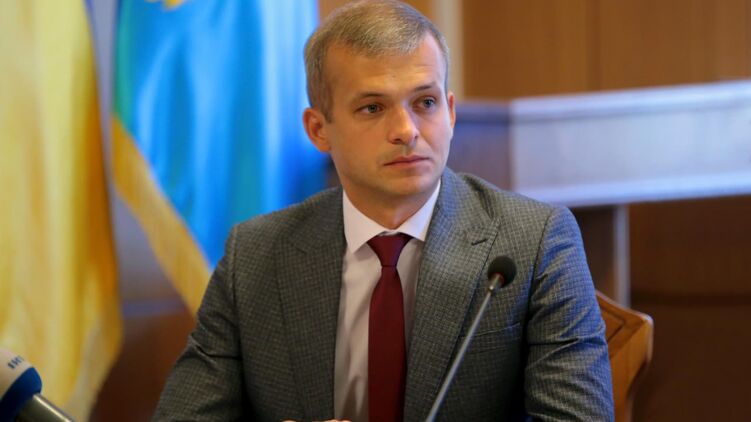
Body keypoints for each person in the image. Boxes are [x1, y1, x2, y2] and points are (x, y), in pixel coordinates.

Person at [153, 1, 614, 421]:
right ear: (318, 129)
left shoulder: (534, 242)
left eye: (425, 102)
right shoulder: (255, 254)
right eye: (373, 108)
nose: (406, 130)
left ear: (450, 112)